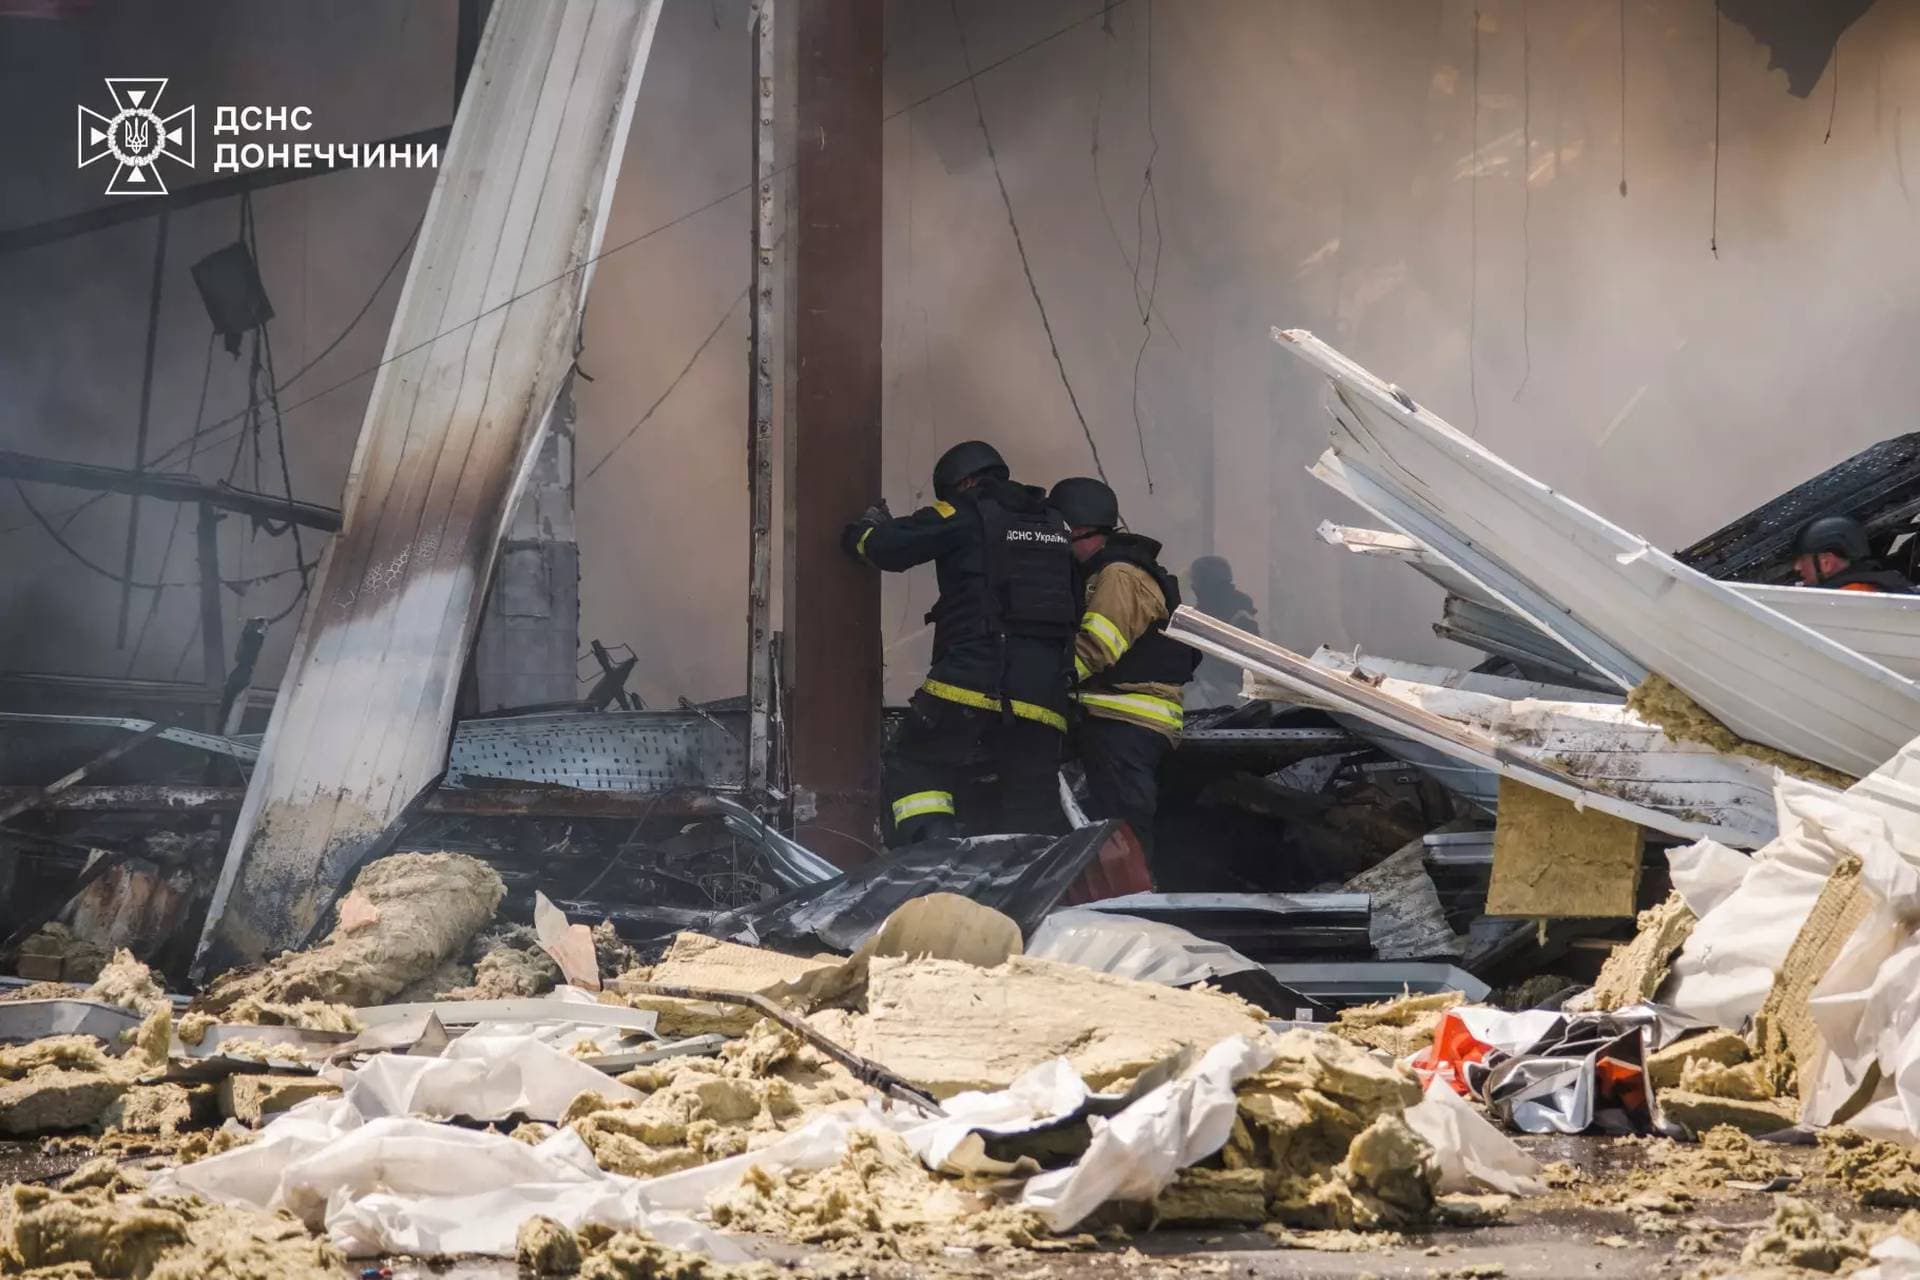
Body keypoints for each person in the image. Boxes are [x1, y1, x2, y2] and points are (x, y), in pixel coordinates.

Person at [843, 441, 1077, 845]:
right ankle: (1027, 888)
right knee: (1029, 798)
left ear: (965, 482)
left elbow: (889, 549)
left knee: (915, 764)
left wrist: (864, 531)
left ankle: (935, 861)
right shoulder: (1056, 525)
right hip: (1043, 694)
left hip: (975, 675)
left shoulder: (966, 509)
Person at [1048, 477, 1199, 857]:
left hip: (1127, 720)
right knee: (1107, 822)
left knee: (1123, 827)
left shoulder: (1119, 575)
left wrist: (1042, 683)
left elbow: (1098, 647)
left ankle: (1135, 901)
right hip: (1115, 718)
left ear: (1078, 530)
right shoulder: (1106, 572)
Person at [1186, 554, 1260, 706]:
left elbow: (1248, 667)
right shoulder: (1198, 617)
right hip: (1206, 699)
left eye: (1197, 583)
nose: (1194, 589)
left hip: (1232, 703)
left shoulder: (1240, 618)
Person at [1790, 515, 1914, 593]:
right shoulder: (1879, 585)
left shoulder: (1850, 595)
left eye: (1803, 559)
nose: (1797, 567)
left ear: (1825, 563)